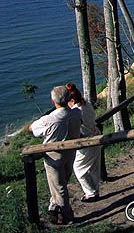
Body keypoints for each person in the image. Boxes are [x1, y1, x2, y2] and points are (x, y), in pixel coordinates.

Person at [29, 86, 81, 225]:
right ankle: (54, 208)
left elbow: (32, 129)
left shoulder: (49, 119)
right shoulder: (76, 113)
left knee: (59, 188)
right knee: (62, 184)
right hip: (71, 153)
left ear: (53, 102)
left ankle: (68, 218)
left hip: (54, 158)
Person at [65, 83, 101, 203]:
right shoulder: (87, 104)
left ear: (72, 100)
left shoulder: (76, 112)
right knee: (94, 167)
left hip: (86, 141)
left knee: (79, 169)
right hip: (97, 136)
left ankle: (90, 193)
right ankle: (95, 190)